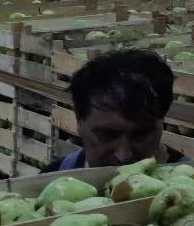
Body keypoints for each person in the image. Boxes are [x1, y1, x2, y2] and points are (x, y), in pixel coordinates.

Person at [44, 49, 180, 171]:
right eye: (107, 135)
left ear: (163, 124)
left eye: (141, 135)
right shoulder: (48, 180)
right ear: (79, 121)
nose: (124, 156)